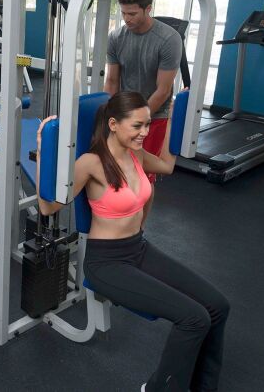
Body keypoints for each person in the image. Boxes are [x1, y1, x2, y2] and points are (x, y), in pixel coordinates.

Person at [36, 92, 229, 392]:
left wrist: (174, 117)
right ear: (113, 124)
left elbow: (167, 165)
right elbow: (48, 207)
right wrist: (43, 150)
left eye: (147, 124)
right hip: (106, 263)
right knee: (194, 319)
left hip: (138, 249)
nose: (145, 132)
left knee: (217, 306)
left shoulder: (135, 154)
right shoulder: (91, 163)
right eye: (137, 126)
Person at [103, 0, 183, 225]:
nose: (126, 19)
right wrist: (109, 116)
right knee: (118, 170)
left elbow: (163, 90)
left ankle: (139, 229)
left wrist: (137, 122)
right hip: (123, 113)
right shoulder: (116, 37)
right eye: (123, 13)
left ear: (148, 9)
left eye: (132, 14)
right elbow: (112, 81)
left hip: (154, 115)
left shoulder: (168, 39)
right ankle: (119, 221)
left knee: (143, 175)